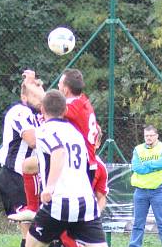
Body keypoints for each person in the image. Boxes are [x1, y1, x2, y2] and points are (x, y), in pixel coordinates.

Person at [22, 90, 122, 247]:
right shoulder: (75, 132)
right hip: (85, 201)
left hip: (60, 200)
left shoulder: (45, 130)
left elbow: (58, 152)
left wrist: (50, 186)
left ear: (42, 110)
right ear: (65, 110)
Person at [11, 69, 103, 222]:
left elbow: (49, 100)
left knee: (69, 223)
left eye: (60, 83)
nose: (58, 86)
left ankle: (79, 243)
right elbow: (52, 102)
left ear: (66, 89)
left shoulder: (73, 106)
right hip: (71, 158)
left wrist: (29, 84)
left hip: (82, 165)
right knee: (27, 165)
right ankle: (32, 209)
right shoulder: (81, 101)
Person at [0, 71, 45, 247]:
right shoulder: (20, 111)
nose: (39, 97)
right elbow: (32, 140)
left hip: (34, 179)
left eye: (41, 91)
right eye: (34, 94)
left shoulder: (41, 115)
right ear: (23, 97)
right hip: (14, 177)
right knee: (31, 232)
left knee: (44, 236)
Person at [122, 125, 162, 247]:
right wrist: (152, 166)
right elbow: (136, 167)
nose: (149, 138)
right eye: (146, 135)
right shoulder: (138, 149)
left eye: (151, 135)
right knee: (138, 223)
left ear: (156, 136)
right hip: (140, 191)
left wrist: (146, 165)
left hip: (158, 191)